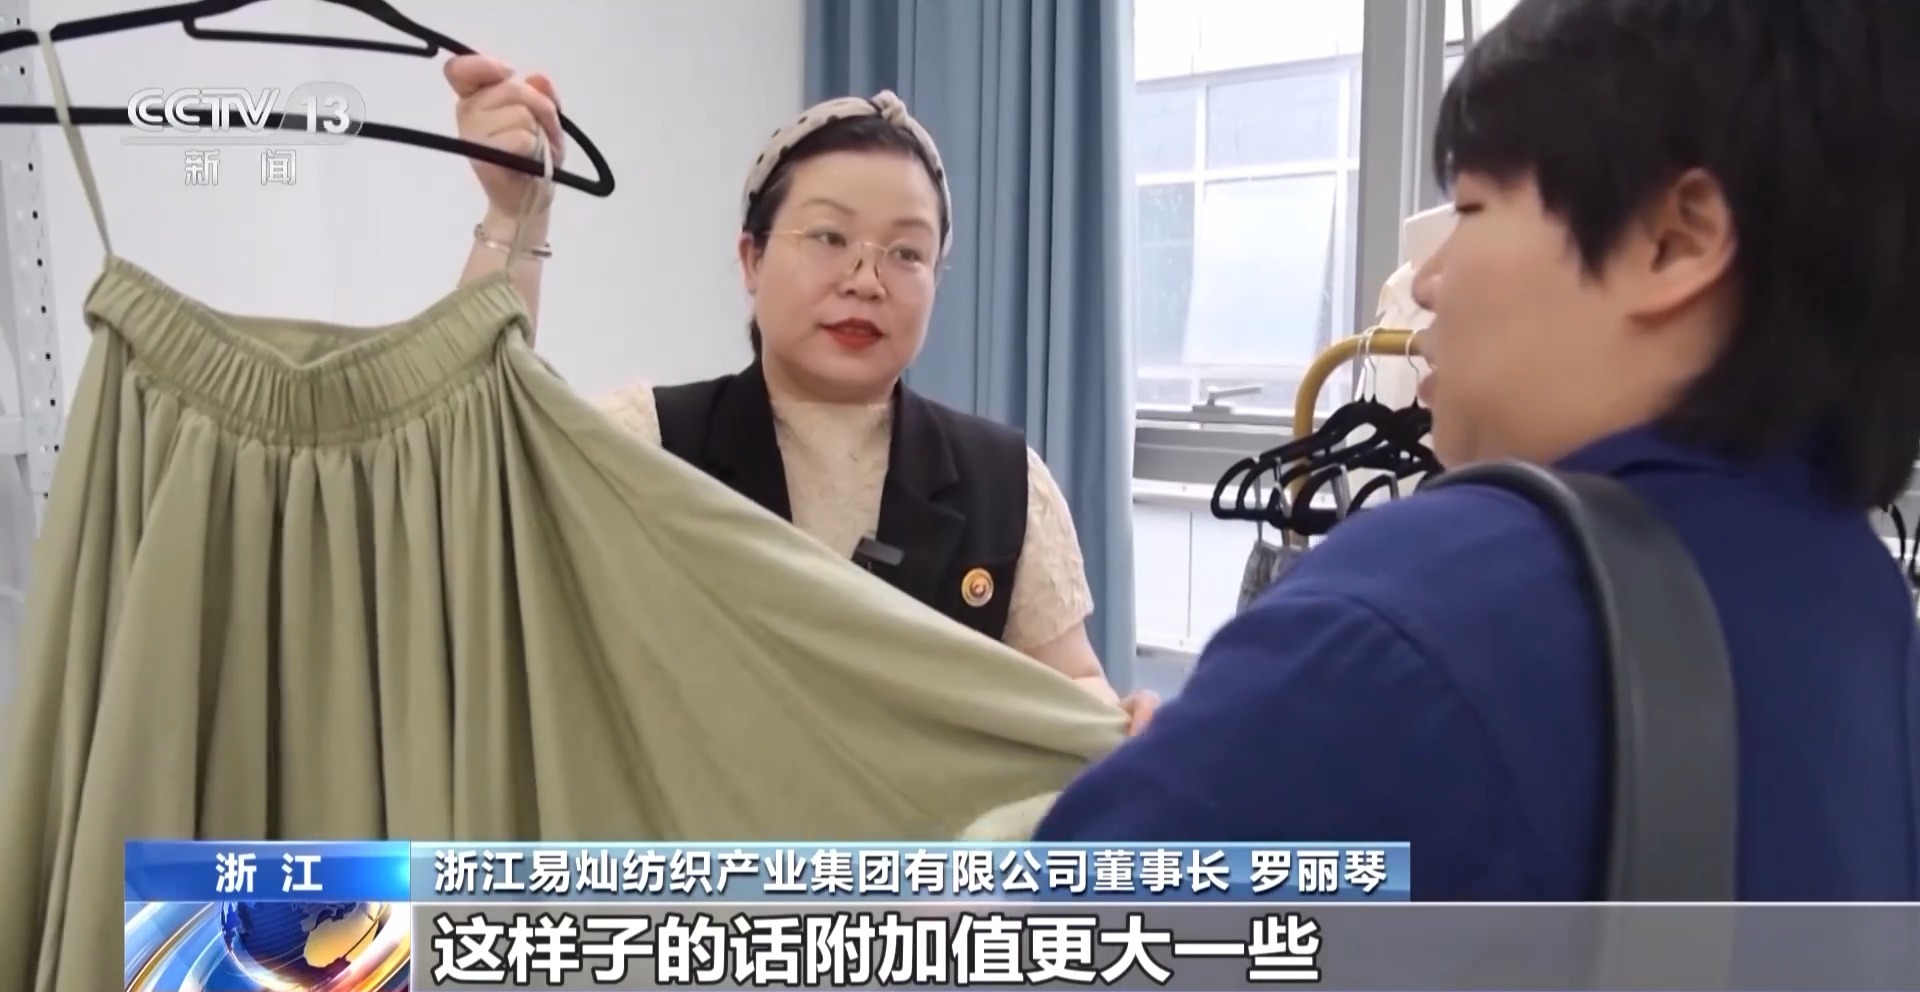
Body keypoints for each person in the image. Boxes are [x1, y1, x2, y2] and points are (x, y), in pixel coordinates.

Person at [1035, 0, 1920, 900]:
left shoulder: (1412, 615)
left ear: (1675, 240)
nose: (1427, 279)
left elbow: (1038, 943)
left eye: (1471, 207)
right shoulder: (1866, 610)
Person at [440, 56, 1154, 730]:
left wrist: (1122, 722)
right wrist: (515, 216)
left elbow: (1068, 686)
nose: (866, 280)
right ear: (750, 258)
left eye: (907, 253)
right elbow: (480, 471)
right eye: (829, 237)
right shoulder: (647, 441)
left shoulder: (1003, 481)